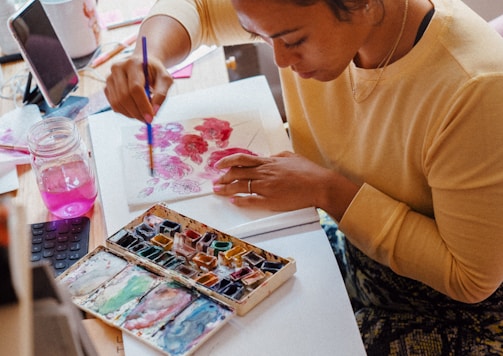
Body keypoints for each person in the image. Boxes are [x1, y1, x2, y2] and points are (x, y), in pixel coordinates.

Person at [104, 0, 503, 354]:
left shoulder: (475, 88)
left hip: (455, 312)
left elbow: (469, 278)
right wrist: (149, 53)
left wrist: (326, 190)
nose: (278, 59)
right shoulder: (299, 14)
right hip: (361, 255)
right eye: (258, 35)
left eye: (291, 39)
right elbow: (201, 8)